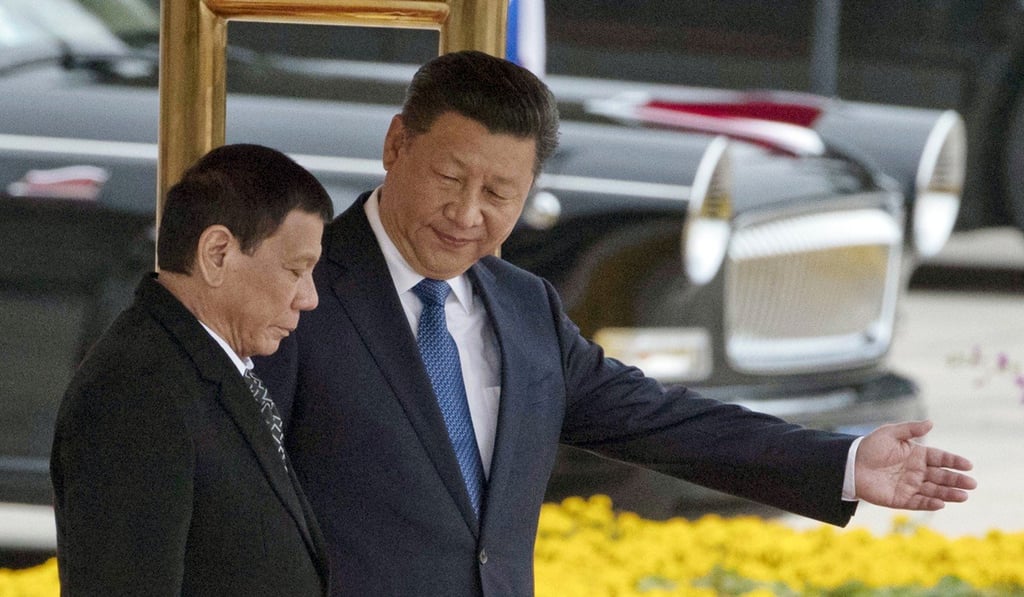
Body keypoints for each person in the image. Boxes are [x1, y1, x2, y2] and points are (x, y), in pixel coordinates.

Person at [254, 51, 976, 597]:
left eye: (500, 191)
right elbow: (227, 498)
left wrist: (844, 463)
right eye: (450, 178)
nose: (469, 213)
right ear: (396, 146)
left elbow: (662, 420)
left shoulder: (523, 306)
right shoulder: (289, 291)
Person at [50, 144, 334, 596]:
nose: (309, 297)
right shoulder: (138, 393)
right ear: (217, 253)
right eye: (295, 269)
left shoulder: (195, 368)